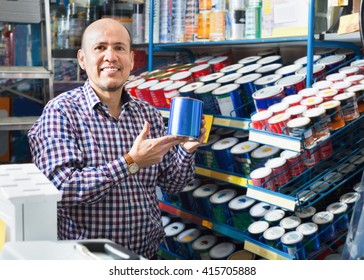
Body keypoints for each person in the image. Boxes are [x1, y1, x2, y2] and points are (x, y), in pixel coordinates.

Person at [28, 18, 206, 259]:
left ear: (131, 59)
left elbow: (173, 184)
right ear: (82, 59)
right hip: (86, 262)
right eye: (100, 48)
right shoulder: (61, 112)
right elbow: (62, 189)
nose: (110, 56)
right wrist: (130, 162)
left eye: (119, 48)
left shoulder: (147, 114)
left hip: (145, 257)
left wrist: (186, 150)